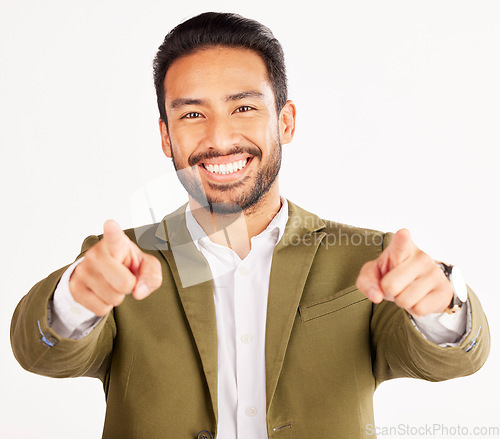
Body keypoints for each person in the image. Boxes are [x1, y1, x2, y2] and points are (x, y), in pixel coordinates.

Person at [10, 12, 490, 439]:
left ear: (286, 122)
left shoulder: (364, 262)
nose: (219, 138)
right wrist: (72, 303)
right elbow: (40, 352)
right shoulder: (119, 265)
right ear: (165, 136)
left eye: (244, 108)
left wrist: (440, 310)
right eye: (192, 114)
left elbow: (458, 358)